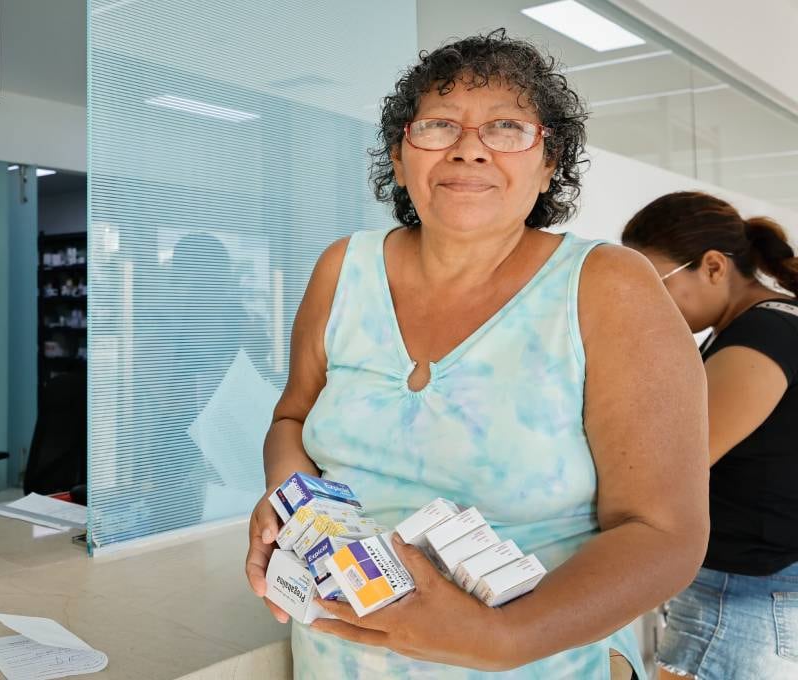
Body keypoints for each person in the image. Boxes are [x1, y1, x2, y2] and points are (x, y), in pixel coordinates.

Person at [243, 30, 709, 678]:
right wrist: (286, 500)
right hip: (333, 657)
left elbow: (664, 536)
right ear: (401, 157)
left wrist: (497, 639)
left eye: (507, 128)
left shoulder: (608, 287)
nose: (469, 149)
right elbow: (291, 420)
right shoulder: (342, 271)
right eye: (437, 126)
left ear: (550, 162)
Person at [622, 191, 798, 680]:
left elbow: (676, 465)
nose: (645, 307)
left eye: (655, 286)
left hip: (740, 595)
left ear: (714, 266)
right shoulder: (754, 328)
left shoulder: (763, 336)